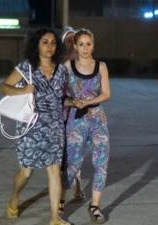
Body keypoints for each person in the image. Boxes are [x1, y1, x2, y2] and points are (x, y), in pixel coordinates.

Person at [0, 28, 71, 225]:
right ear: (36, 45)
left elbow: (59, 99)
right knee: (26, 171)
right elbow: (4, 87)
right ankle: (14, 198)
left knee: (54, 170)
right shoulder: (27, 67)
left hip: (55, 126)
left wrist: (73, 102)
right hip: (30, 126)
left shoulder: (62, 70)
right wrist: (23, 89)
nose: (49, 46)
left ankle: (55, 218)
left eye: (53, 42)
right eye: (45, 42)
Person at [61, 28, 111, 224]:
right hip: (76, 119)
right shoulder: (67, 66)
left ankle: (95, 206)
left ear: (93, 45)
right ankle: (60, 203)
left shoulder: (101, 66)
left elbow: (107, 93)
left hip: (98, 119)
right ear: (75, 46)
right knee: (72, 164)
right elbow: (61, 97)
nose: (85, 48)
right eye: (80, 44)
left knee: (101, 162)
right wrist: (73, 103)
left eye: (88, 44)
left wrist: (88, 102)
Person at [61, 26, 85, 205]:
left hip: (78, 114)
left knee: (76, 152)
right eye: (68, 40)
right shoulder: (59, 63)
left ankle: (77, 186)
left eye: (73, 39)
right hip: (60, 114)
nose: (71, 42)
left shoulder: (85, 62)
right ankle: (61, 192)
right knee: (62, 155)